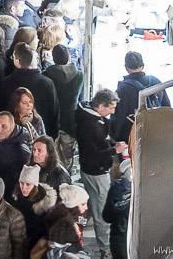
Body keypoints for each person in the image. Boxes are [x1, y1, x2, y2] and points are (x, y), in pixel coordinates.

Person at [75, 88, 121, 259]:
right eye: (111, 107)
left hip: (88, 170)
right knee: (102, 211)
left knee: (93, 207)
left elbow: (101, 141)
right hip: (97, 171)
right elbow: (94, 151)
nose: (113, 111)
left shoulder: (88, 116)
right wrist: (114, 150)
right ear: (100, 106)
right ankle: (105, 249)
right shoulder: (92, 125)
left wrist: (113, 144)